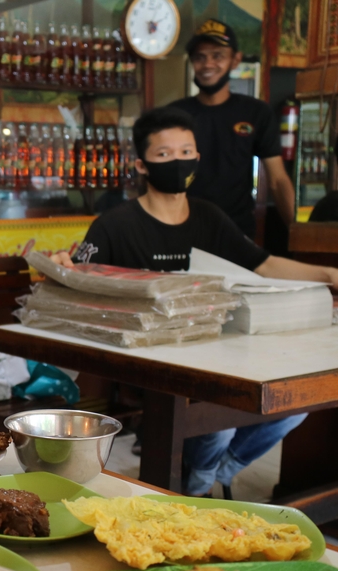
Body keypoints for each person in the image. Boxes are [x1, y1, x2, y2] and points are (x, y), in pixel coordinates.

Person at [51, 107, 338, 499]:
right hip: (147, 360)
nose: (179, 161)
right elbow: (76, 279)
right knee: (217, 419)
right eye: (165, 154)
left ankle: (215, 472)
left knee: (297, 403)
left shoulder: (209, 217)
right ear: (143, 165)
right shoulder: (114, 224)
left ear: (198, 158)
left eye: (187, 152)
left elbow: (264, 264)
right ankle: (199, 484)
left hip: (215, 349)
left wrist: (329, 275)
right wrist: (61, 268)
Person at [169, 19, 295, 239]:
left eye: (217, 55)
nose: (207, 64)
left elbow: (277, 180)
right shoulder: (174, 115)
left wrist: (297, 234)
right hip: (181, 234)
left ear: (235, 59)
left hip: (237, 235)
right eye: (200, 57)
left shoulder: (256, 113)